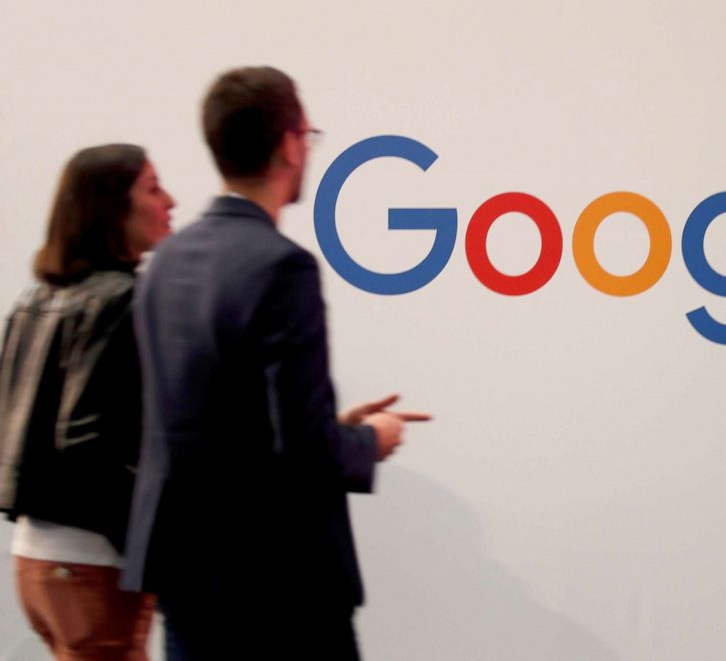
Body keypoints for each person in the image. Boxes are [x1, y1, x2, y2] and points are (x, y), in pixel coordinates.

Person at [120, 66, 429, 660]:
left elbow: (211, 422)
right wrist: (367, 441)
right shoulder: (281, 267)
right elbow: (301, 451)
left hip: (187, 572)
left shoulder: (166, 261)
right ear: (289, 143)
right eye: (308, 136)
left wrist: (334, 429)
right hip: (278, 584)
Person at [0, 144, 175, 660]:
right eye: (151, 187)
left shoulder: (33, 300)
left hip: (34, 560)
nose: (170, 200)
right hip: (91, 565)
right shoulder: (125, 299)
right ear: (111, 207)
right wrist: (152, 553)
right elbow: (88, 444)